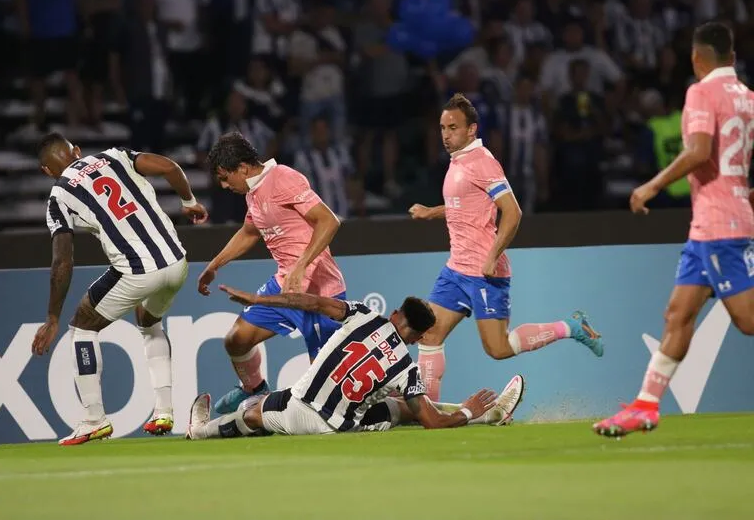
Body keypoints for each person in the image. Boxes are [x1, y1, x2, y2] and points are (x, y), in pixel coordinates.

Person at [594, 22, 754, 438]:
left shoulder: (701, 92)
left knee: (747, 319)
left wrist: (652, 185)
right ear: (732, 57)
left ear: (696, 58)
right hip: (712, 225)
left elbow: (698, 151)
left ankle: (645, 405)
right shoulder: (747, 97)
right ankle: (645, 406)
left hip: (719, 225)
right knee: (678, 314)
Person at [408, 93, 604, 402]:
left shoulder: (483, 162)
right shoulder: (459, 160)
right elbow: (464, 206)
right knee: (429, 334)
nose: (446, 135)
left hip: (485, 273)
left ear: (471, 129)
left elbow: (513, 212)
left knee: (498, 348)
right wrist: (430, 212)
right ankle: (427, 411)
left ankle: (571, 327)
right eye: (443, 128)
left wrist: (492, 257)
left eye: (453, 128)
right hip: (456, 270)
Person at [31, 133, 208, 445]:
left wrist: (52, 317)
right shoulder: (114, 155)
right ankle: (164, 411)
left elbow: (62, 261)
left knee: (82, 327)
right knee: (149, 321)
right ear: (77, 150)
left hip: (138, 271)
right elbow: (169, 167)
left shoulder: (58, 195)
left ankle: (93, 419)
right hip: (177, 262)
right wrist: (189, 201)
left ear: (47, 171)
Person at [185, 286, 526, 439]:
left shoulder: (363, 314)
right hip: (343, 428)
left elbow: (311, 303)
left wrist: (259, 299)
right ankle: (490, 413)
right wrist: (466, 411)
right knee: (406, 408)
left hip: (300, 412)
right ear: (419, 337)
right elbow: (432, 422)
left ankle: (200, 432)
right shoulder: (406, 369)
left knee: (252, 412)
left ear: (396, 313)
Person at [198, 132, 345, 415]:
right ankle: (254, 389)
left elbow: (329, 221)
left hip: (317, 290)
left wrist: (301, 265)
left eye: (226, 177)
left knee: (324, 392)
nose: (224, 185)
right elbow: (249, 231)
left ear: (243, 168)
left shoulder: (283, 178)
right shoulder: (253, 191)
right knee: (237, 339)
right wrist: (214, 265)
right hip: (284, 285)